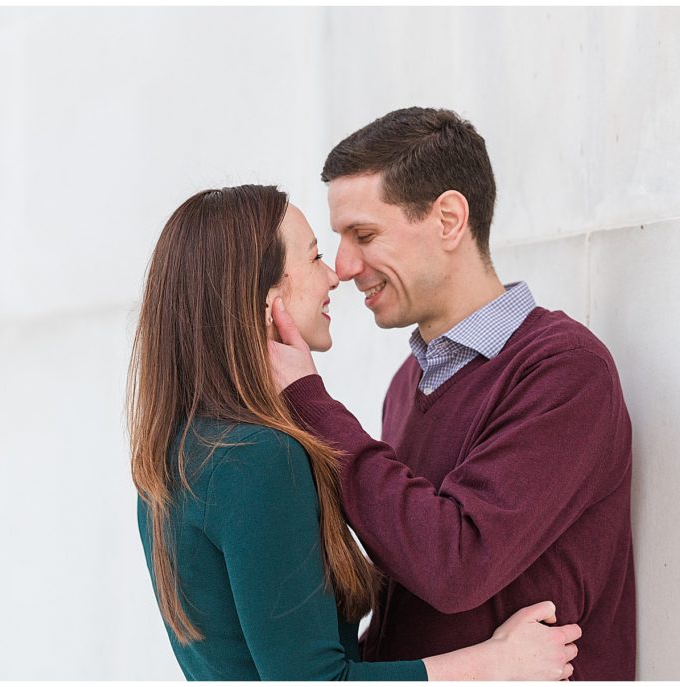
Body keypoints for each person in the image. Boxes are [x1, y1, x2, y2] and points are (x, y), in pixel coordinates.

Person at [128, 185, 581, 680]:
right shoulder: (257, 458)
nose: (333, 275)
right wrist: (494, 664)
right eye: (315, 256)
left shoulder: (180, 454)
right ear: (263, 299)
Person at [267, 108, 636, 680]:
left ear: (448, 219)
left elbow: (455, 565)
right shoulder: (405, 387)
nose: (343, 265)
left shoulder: (564, 370)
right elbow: (409, 606)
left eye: (363, 235)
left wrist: (311, 403)